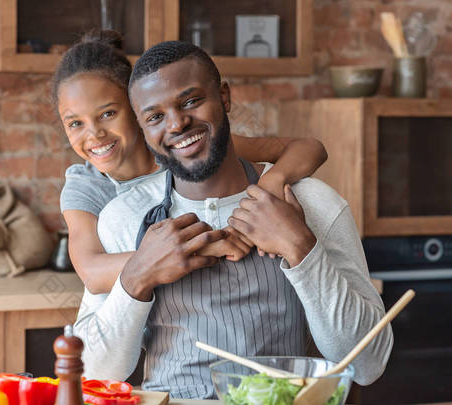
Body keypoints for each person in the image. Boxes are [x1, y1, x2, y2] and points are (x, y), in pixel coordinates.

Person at [73, 40, 393, 398]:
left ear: (224, 97)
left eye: (191, 101)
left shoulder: (314, 203)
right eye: (155, 117)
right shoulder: (125, 217)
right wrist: (137, 275)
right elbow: (92, 374)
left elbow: (368, 365)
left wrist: (301, 247)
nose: (177, 123)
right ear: (144, 129)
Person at [54, 30, 327, 294]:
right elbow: (91, 273)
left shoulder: (186, 147)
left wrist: (271, 184)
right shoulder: (85, 186)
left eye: (108, 113)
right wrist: (201, 247)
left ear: (138, 108)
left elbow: (308, 147)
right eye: (76, 123)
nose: (94, 134)